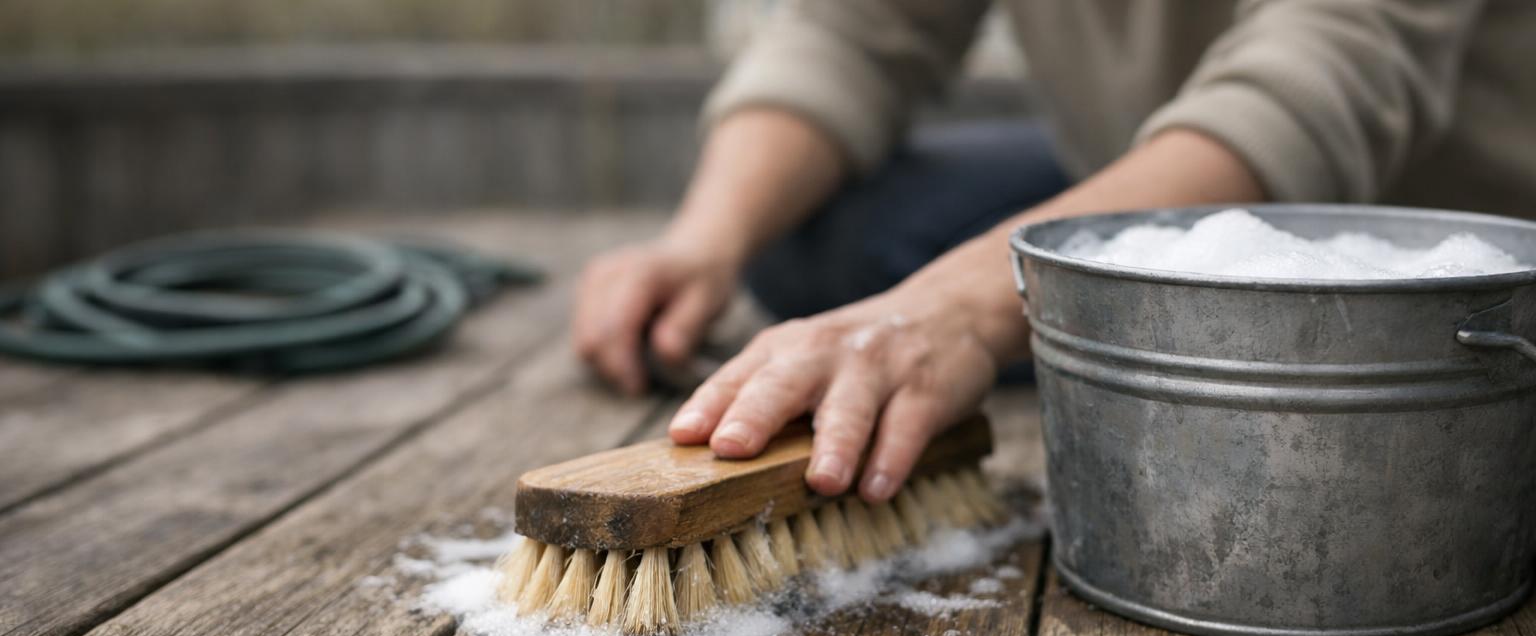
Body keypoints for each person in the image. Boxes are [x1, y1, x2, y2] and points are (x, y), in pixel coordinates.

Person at [572, 0, 1536, 504]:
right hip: (1144, 165)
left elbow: (1315, 82)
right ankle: (1078, 313)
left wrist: (948, 312)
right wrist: (703, 240)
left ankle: (1052, 319)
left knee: (913, 296)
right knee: (806, 244)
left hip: (1421, 226)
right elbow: (853, 30)